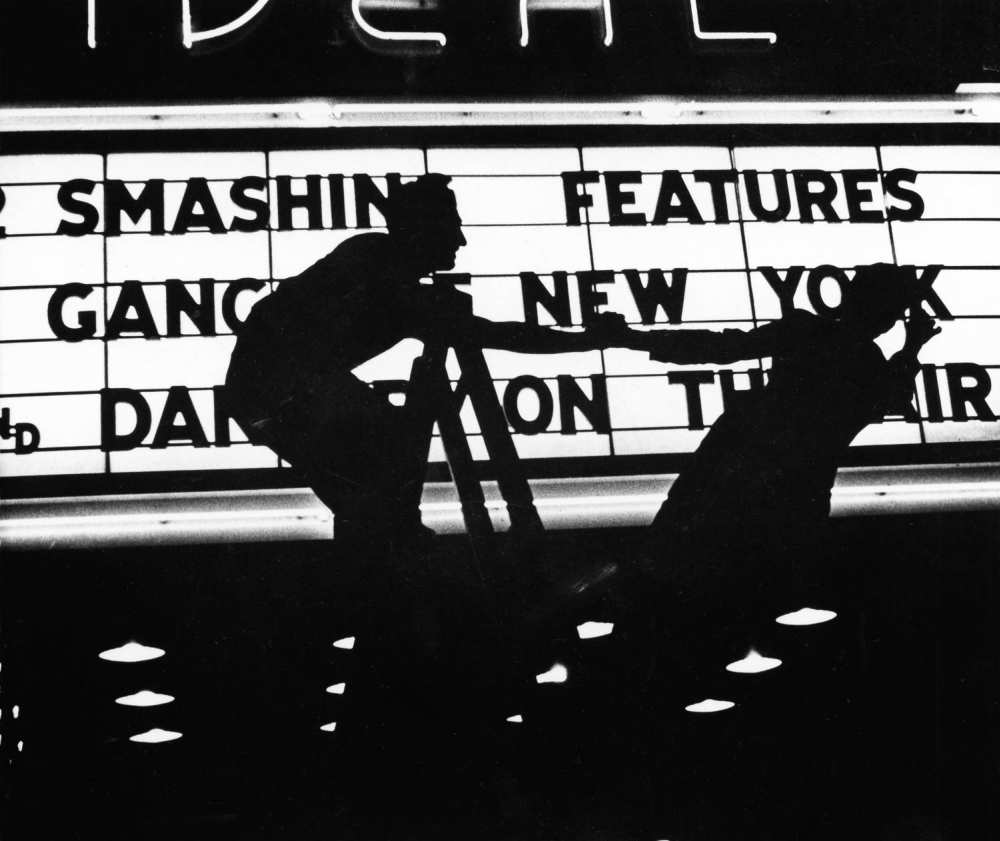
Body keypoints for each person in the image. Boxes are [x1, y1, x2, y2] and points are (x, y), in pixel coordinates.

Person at [225, 173, 613, 547]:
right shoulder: (381, 269)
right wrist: (589, 340)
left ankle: (389, 554)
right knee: (384, 478)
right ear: (420, 231)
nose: (461, 239)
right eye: (452, 226)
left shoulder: (378, 264)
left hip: (273, 393)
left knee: (379, 488)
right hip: (279, 394)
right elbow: (493, 333)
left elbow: (481, 329)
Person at [607, 263, 941, 624]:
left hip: (742, 460)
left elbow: (721, 346)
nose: (888, 320)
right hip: (794, 482)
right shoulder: (864, 363)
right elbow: (886, 401)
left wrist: (632, 338)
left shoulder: (812, 335)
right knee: (755, 586)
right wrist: (910, 349)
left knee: (678, 565)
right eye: (890, 310)